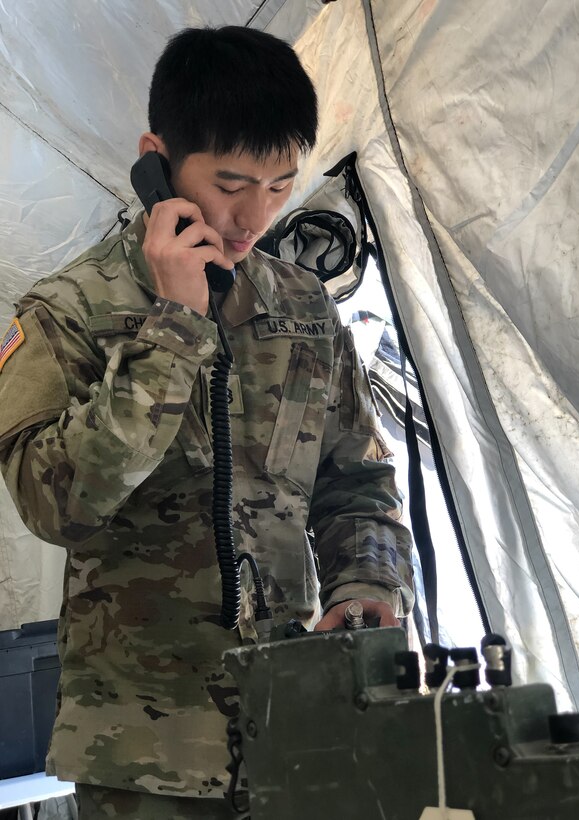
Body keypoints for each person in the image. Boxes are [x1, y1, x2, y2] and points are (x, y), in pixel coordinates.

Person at [0, 26, 413, 819]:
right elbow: (57, 505)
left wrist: (366, 585)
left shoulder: (302, 307)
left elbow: (357, 482)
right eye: (230, 184)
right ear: (157, 159)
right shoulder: (65, 314)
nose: (252, 215)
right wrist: (174, 328)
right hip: (144, 755)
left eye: (279, 185)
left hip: (301, 728)